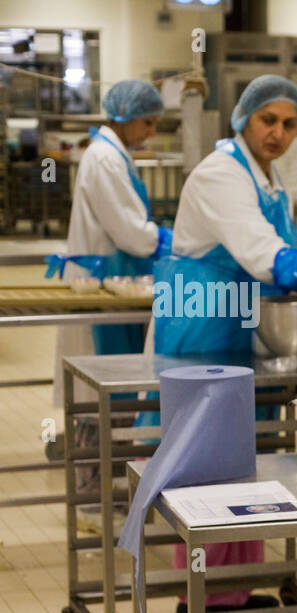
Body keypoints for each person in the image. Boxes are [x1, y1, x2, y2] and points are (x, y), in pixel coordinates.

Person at [151, 74, 297, 613]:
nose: (278, 132)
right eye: (267, 120)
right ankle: (204, 594)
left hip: (235, 322)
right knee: (202, 460)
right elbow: (267, 258)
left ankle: (234, 587)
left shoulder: (271, 179)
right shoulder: (221, 173)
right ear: (243, 119)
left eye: (289, 124)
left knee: (237, 457)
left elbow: (289, 246)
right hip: (201, 319)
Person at [47, 79, 172, 409]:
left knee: (112, 381)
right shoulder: (105, 158)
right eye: (148, 122)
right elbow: (129, 232)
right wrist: (167, 240)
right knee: (103, 381)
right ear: (125, 114)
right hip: (101, 281)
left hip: (110, 278)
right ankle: (100, 456)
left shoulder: (114, 154)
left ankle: (108, 452)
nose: (152, 131)